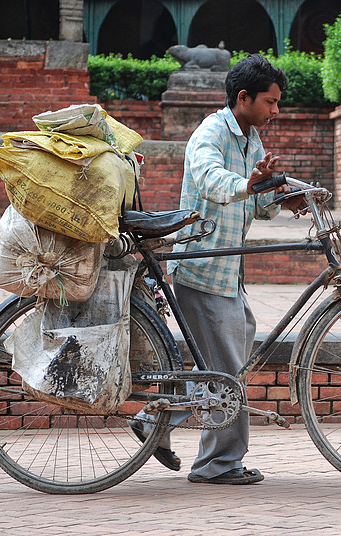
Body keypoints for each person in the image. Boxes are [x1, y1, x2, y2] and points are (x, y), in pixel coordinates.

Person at [131, 54, 304, 484]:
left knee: (227, 361)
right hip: (204, 266)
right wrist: (248, 184)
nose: (275, 111)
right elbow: (210, 179)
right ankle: (217, 464)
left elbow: (258, 201)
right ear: (243, 97)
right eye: (270, 102)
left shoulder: (250, 139)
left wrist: (284, 197)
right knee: (227, 370)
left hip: (229, 271)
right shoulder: (210, 132)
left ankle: (155, 421)